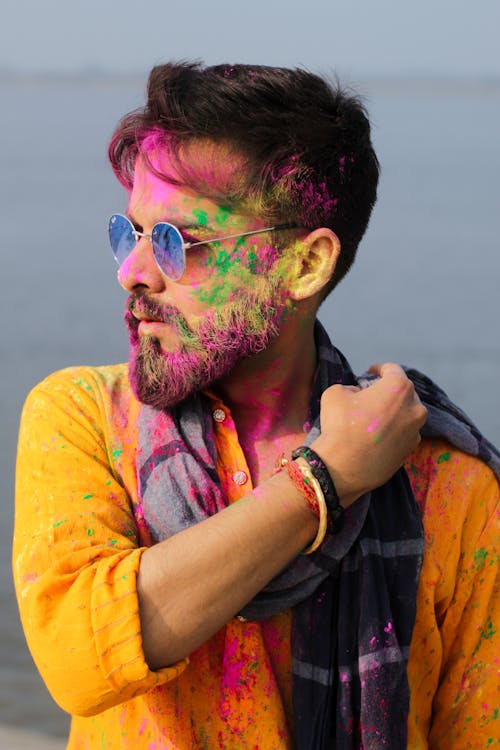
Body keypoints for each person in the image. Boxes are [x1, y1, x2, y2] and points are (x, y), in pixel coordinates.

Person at [13, 62, 499, 750]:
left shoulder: (446, 485)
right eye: (132, 233)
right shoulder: (83, 417)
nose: (133, 272)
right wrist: (325, 480)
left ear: (303, 266)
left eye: (179, 243)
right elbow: (77, 657)